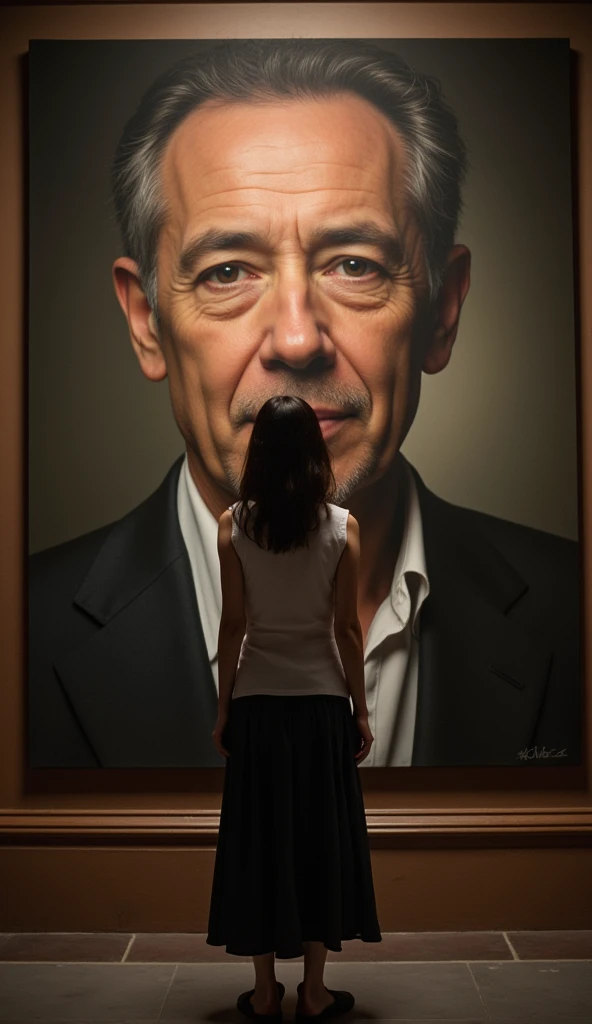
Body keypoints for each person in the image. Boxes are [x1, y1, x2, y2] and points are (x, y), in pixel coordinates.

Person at [28, 39, 581, 769]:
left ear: (443, 311)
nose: (296, 338)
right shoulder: (19, 633)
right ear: (146, 322)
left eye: (354, 265)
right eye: (228, 272)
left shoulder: (578, 613)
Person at [205, 394, 382, 1021]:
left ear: (257, 453)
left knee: (259, 843)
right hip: (320, 704)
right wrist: (359, 711)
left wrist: (225, 708)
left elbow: (233, 626)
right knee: (317, 843)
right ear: (315, 449)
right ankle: (313, 989)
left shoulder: (232, 524)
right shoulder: (342, 526)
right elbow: (347, 631)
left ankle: (261, 991)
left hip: (257, 703)